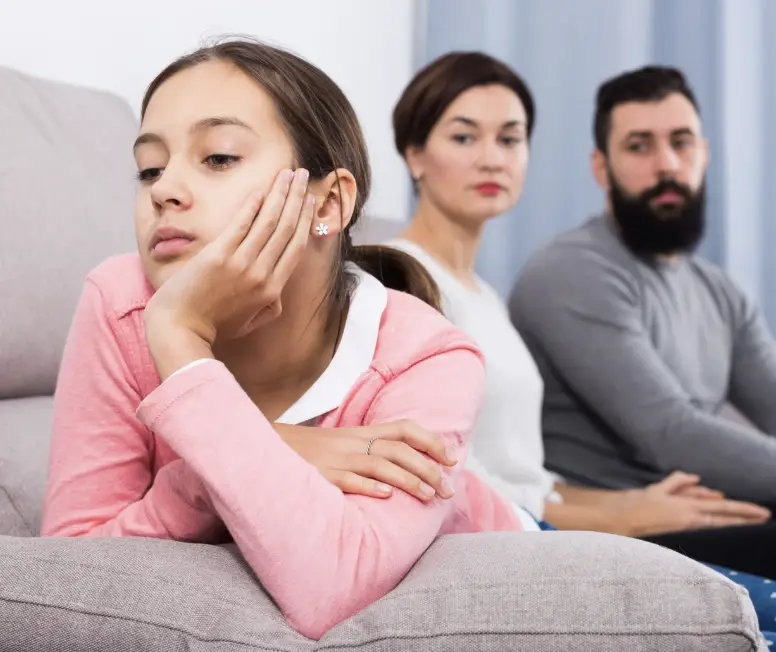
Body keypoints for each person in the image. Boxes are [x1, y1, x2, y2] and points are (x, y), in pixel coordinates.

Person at [383, 50, 776, 652]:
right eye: (464, 136)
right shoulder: (408, 281)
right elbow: (446, 469)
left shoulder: (485, 294)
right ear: (415, 153)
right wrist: (619, 514)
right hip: (519, 546)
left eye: (511, 137)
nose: (492, 157)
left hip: (554, 521)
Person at [39, 39, 529, 641]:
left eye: (217, 157)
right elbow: (61, 577)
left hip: (515, 552)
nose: (164, 189)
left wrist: (184, 343)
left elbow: (333, 589)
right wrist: (260, 455)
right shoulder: (123, 304)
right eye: (150, 167)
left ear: (329, 202)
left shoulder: (431, 356)